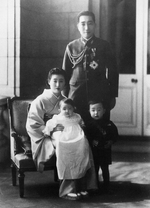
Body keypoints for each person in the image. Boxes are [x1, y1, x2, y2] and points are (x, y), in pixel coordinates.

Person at [62, 10, 119, 125]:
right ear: (78, 26)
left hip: (99, 95)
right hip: (76, 96)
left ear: (95, 25)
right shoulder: (71, 47)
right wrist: (65, 96)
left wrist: (112, 95)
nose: (86, 28)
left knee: (100, 131)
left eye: (90, 23)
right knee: (77, 130)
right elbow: (65, 73)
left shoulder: (104, 46)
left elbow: (113, 71)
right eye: (83, 24)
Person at [43, 98, 98, 200]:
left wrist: (82, 126)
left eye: (70, 108)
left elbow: (82, 124)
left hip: (78, 139)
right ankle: (68, 190)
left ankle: (81, 187)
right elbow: (48, 129)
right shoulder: (57, 118)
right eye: (64, 109)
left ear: (74, 109)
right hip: (63, 139)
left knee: (83, 151)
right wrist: (53, 130)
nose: (67, 111)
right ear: (59, 109)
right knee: (66, 155)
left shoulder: (77, 117)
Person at [26, 67, 67, 172]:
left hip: (64, 133)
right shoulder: (40, 100)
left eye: (61, 81)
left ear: (65, 83)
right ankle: (65, 180)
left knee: (82, 143)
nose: (58, 85)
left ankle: (79, 181)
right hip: (45, 136)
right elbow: (33, 125)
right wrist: (52, 129)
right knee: (62, 144)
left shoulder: (66, 101)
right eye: (55, 81)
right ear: (49, 82)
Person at [87, 99, 118, 194]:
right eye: (93, 110)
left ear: (104, 110)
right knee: (95, 169)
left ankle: (106, 186)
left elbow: (115, 134)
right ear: (89, 111)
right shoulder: (89, 125)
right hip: (95, 151)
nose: (96, 113)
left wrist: (111, 141)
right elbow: (86, 136)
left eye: (99, 110)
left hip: (105, 151)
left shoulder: (109, 124)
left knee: (105, 169)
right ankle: (95, 187)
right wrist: (92, 141)